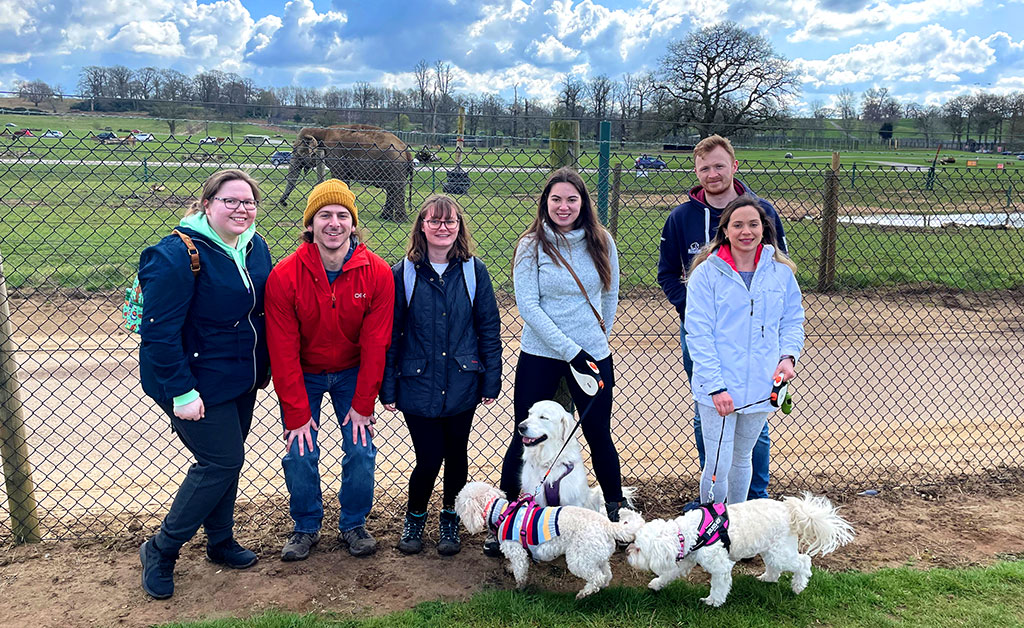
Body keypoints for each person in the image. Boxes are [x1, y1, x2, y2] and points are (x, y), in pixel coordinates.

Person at [137, 169, 272, 599]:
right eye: (230, 201)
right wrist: (181, 389)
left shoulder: (254, 246)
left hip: (238, 377)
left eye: (248, 202)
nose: (241, 209)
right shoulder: (178, 254)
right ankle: (161, 550)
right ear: (207, 203)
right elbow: (158, 331)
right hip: (193, 380)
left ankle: (219, 541)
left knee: (227, 462)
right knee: (220, 463)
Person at [496, 167, 626, 554]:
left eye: (572, 199)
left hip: (592, 356)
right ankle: (510, 518)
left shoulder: (601, 241)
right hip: (541, 354)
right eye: (556, 199)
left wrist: (596, 340)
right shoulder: (531, 245)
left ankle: (614, 516)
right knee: (526, 436)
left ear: (583, 203)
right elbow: (528, 306)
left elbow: (610, 293)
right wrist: (571, 350)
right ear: (545, 203)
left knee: (598, 434)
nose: (564, 206)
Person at [264, 179, 395, 560]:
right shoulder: (285, 275)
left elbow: (376, 344)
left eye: (342, 215)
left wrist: (363, 403)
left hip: (353, 370)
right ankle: (306, 525)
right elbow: (282, 349)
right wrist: (297, 413)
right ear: (310, 225)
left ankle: (354, 524)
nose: (334, 223)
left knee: (360, 447)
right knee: (299, 450)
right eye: (324, 215)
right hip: (305, 371)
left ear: (353, 225)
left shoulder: (377, 272)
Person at [657, 134, 788, 509]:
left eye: (719, 165)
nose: (712, 174)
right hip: (701, 332)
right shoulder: (681, 217)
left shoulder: (763, 213)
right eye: (704, 168)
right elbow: (667, 273)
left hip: (754, 336)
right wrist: (694, 310)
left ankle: (753, 498)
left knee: (753, 419)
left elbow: (777, 269)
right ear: (696, 172)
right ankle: (715, 499)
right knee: (712, 410)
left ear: (733, 165)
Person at [381, 194, 502, 556]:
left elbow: (488, 327)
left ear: (459, 227)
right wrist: (388, 387)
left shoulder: (473, 270)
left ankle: (450, 518)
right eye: (434, 221)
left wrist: (490, 378)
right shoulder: (402, 273)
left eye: (450, 222)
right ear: (421, 226)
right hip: (418, 383)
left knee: (457, 454)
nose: (442, 228)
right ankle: (415, 518)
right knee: (428, 458)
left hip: (463, 381)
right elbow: (391, 334)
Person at [684, 194, 804, 505]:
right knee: (718, 464)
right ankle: (711, 527)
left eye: (753, 224)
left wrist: (788, 357)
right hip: (719, 390)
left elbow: (792, 320)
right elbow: (699, 334)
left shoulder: (781, 273)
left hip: (761, 386)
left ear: (765, 228)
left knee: (742, 459)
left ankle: (735, 528)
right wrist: (715, 386)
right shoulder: (706, 274)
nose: (745, 231)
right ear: (725, 230)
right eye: (737, 225)